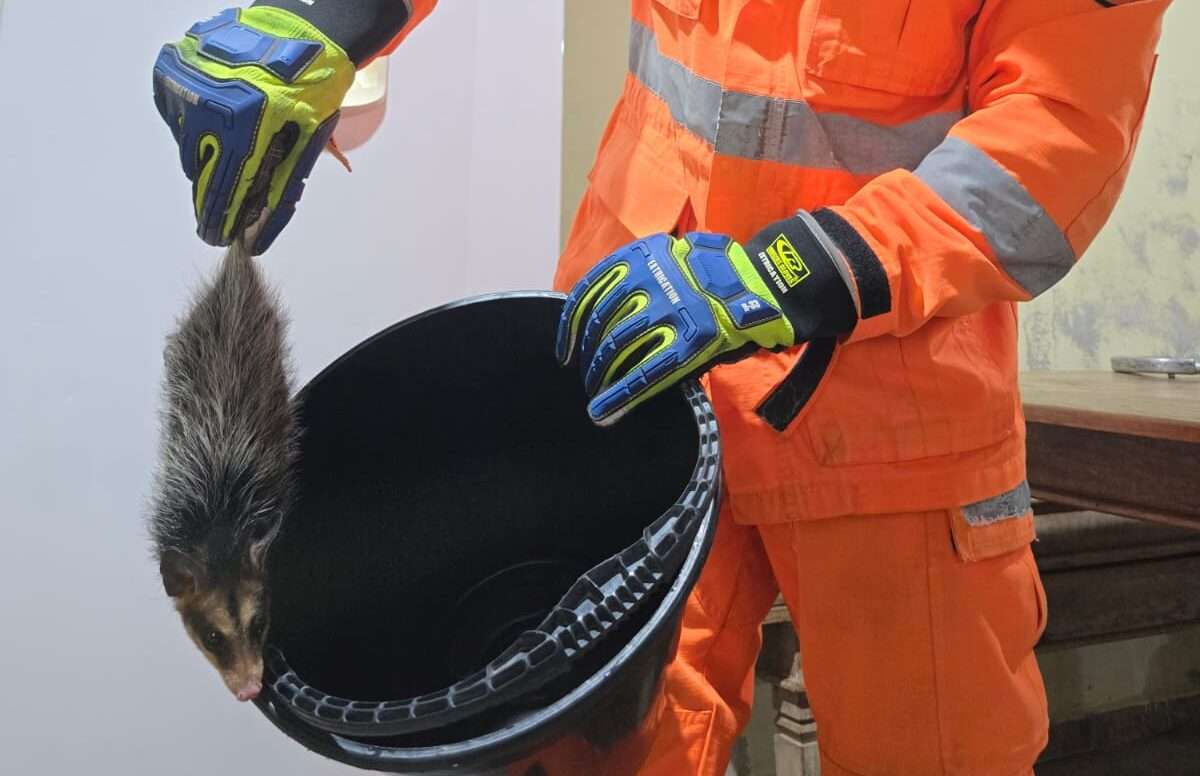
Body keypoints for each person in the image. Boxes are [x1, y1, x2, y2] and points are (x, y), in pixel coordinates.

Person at [152, 1, 1170, 773]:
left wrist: (789, 271)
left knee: (934, 751)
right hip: (637, 369)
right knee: (595, 749)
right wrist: (332, 19)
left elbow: (1056, 140)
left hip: (889, 404)